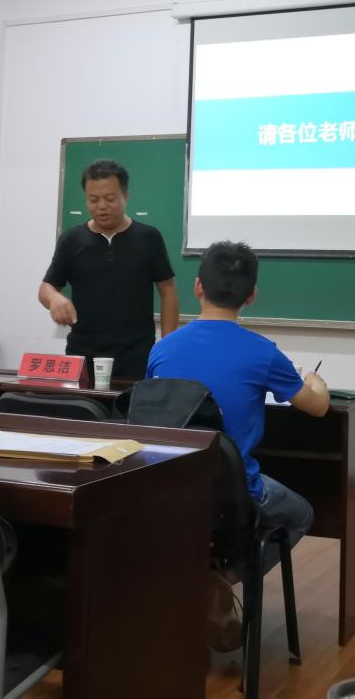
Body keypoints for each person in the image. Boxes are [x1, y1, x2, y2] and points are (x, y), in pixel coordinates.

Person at [146, 241, 329, 646]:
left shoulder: (162, 348)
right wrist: (315, 381)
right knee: (301, 514)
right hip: (234, 494)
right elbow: (316, 407)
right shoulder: (262, 353)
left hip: (169, 489)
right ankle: (225, 578)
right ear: (251, 296)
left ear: (197, 287)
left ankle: (198, 579)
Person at [38, 159, 179, 380]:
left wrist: (167, 347)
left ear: (125, 196)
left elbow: (168, 292)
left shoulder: (148, 238)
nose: (101, 206)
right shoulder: (71, 240)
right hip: (82, 357)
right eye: (93, 199)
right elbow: (46, 288)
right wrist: (54, 298)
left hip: (136, 357)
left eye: (110, 198)